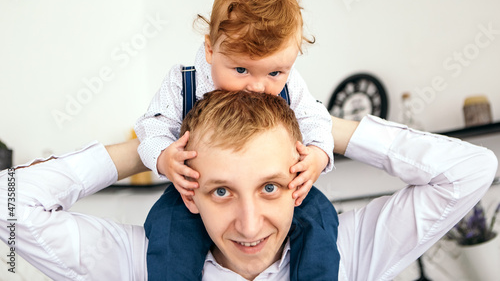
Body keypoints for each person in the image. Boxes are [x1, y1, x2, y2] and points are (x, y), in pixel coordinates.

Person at [0, 90, 497, 280]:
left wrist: (325, 134)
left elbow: (471, 170)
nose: (250, 224)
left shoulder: (349, 253)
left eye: (270, 188)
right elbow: (8, 203)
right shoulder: (136, 265)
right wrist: (151, 150)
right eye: (221, 191)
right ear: (189, 192)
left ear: (299, 183)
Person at [135, 0, 337, 279]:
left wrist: (318, 155)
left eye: (274, 73)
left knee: (321, 217)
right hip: (195, 191)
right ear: (211, 49)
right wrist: (164, 157)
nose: (257, 86)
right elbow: (152, 128)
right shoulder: (183, 82)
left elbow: (316, 119)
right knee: (166, 225)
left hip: (281, 191)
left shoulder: (291, 83)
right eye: (241, 70)